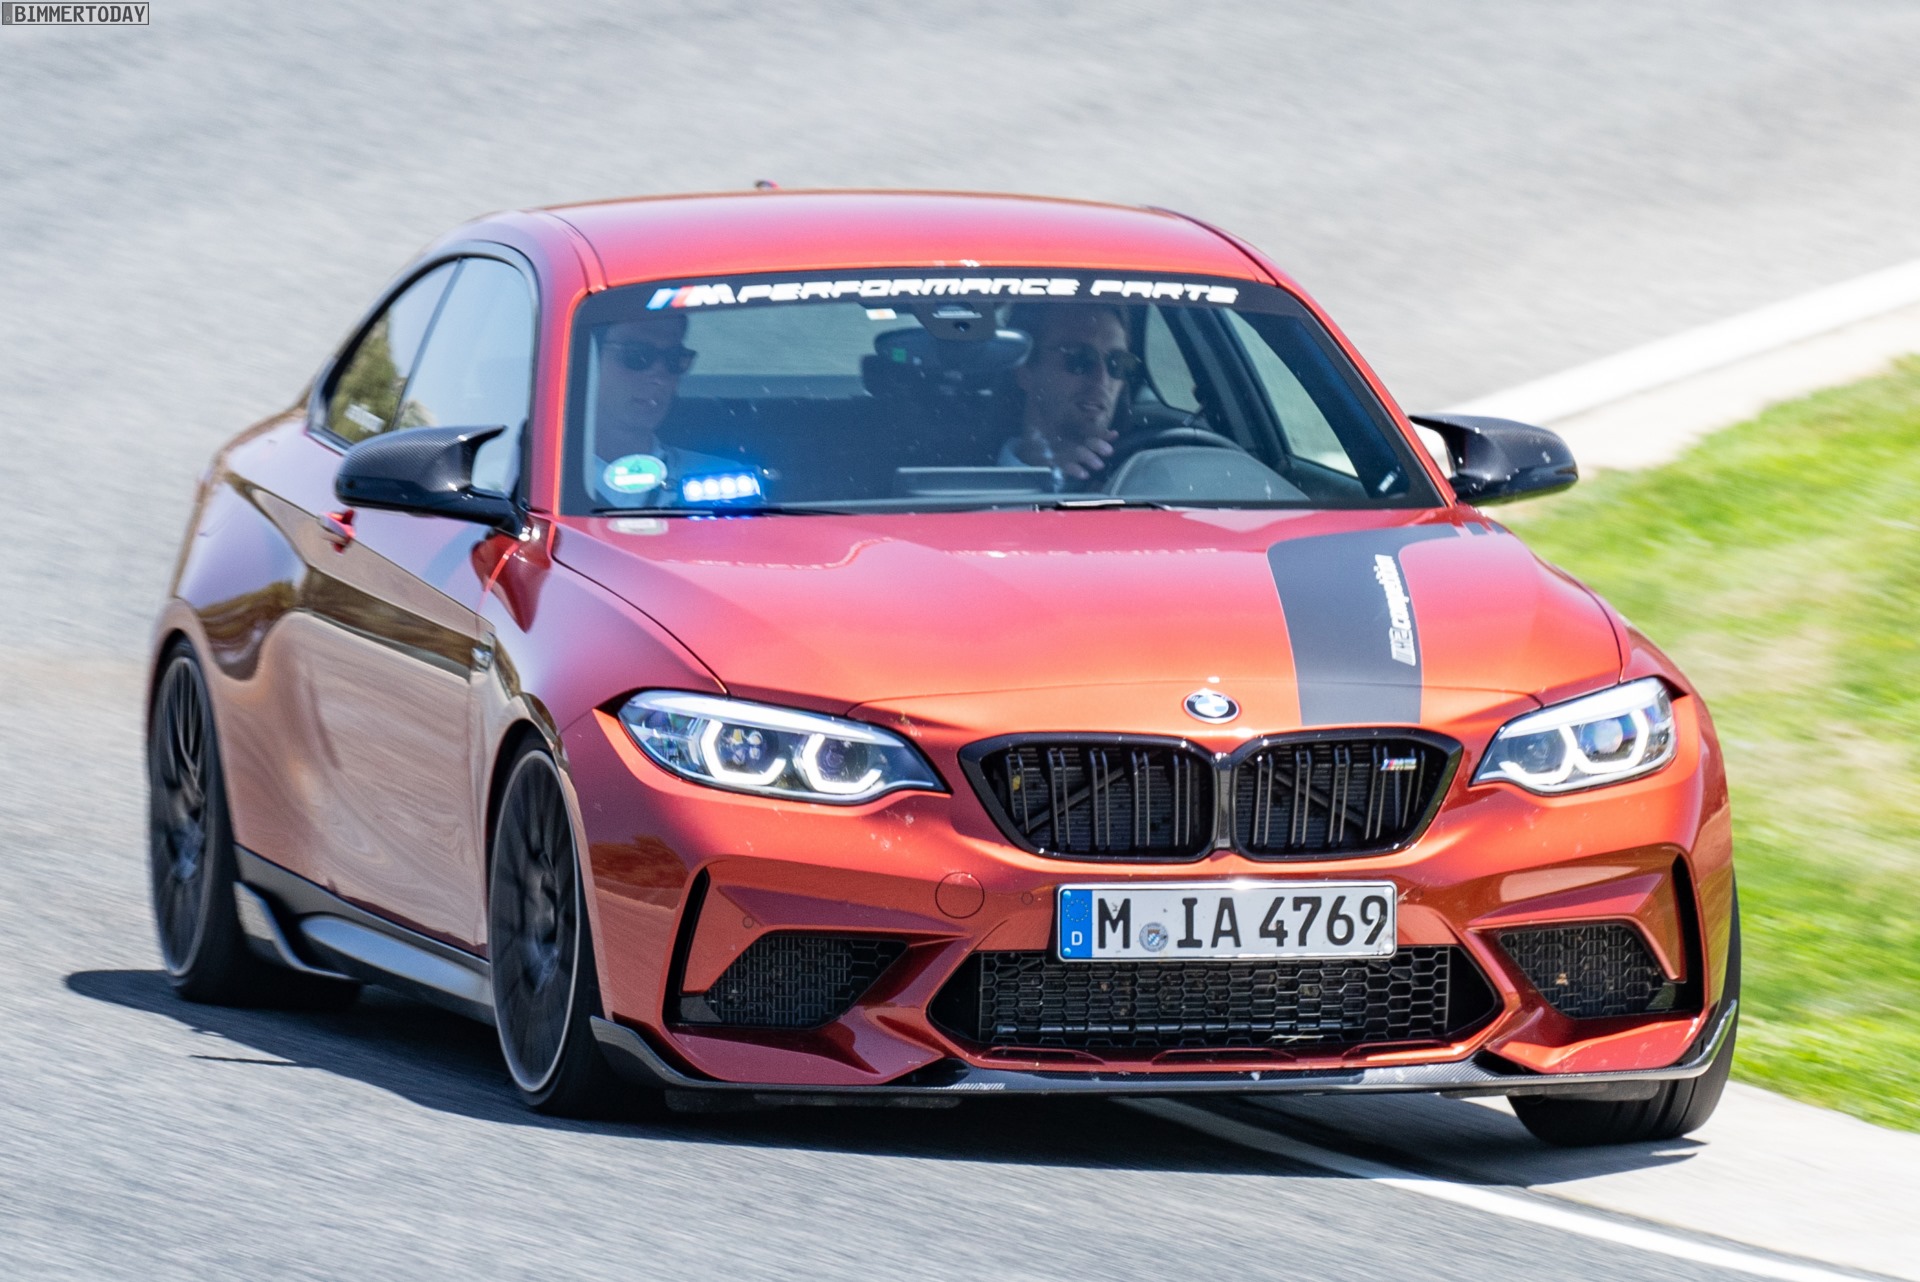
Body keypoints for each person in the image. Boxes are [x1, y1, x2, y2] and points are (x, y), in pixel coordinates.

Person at [589, 311, 739, 506]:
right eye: (636, 355)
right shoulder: (549, 479)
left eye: (674, 358)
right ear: (587, 360)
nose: (660, 377)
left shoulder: (725, 482)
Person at [998, 303, 1139, 484]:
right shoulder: (970, 483)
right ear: (1024, 370)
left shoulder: (1144, 479)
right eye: (1079, 358)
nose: (1102, 379)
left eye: (1117, 362)